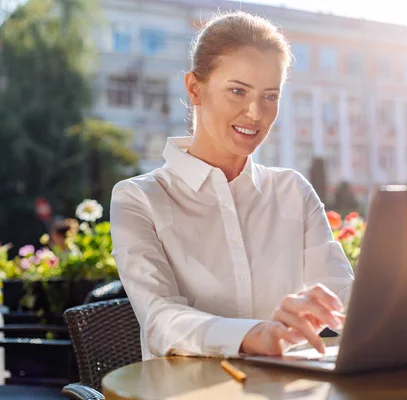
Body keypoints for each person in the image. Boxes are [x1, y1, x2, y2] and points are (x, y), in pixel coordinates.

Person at [109, 11, 354, 361]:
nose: (255, 113)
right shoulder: (139, 199)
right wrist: (255, 334)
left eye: (270, 96)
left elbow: (343, 295)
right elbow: (160, 319)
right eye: (238, 91)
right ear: (195, 88)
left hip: (285, 388)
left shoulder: (292, 191)